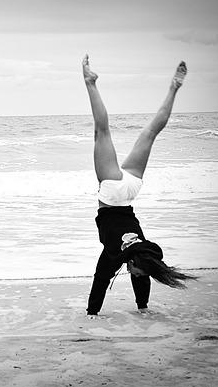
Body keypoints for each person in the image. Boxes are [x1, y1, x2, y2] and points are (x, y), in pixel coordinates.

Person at [82, 54, 196, 318]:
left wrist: (143, 309)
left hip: (132, 189)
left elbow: (142, 269)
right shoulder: (119, 253)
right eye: (136, 269)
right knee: (102, 131)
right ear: (133, 261)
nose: (135, 274)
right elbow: (102, 278)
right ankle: (90, 83)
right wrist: (92, 313)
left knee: (151, 132)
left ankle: (174, 88)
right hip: (112, 194)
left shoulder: (144, 248)